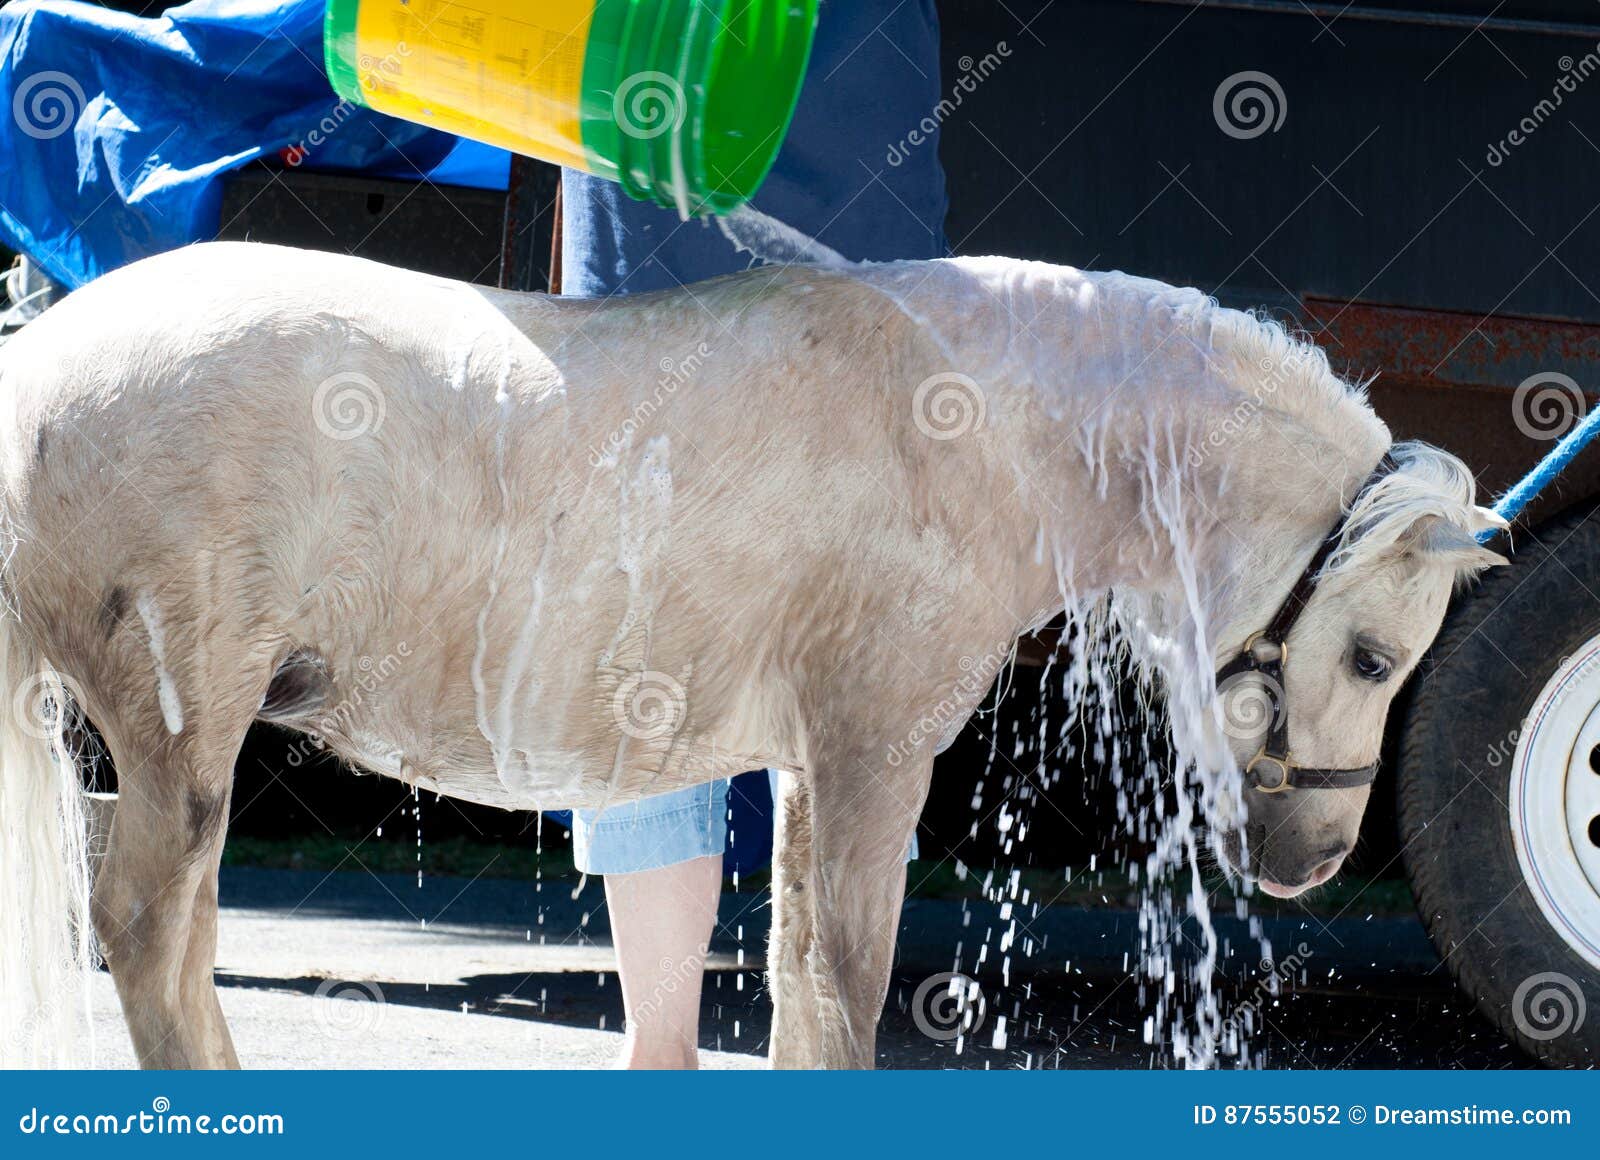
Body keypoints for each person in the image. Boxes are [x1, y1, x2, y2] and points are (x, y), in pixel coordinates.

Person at [559, 0, 949, 1068]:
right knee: (841, 638)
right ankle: (789, 1059)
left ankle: (669, 1058)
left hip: (661, 88)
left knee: (652, 617)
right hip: (835, 142)